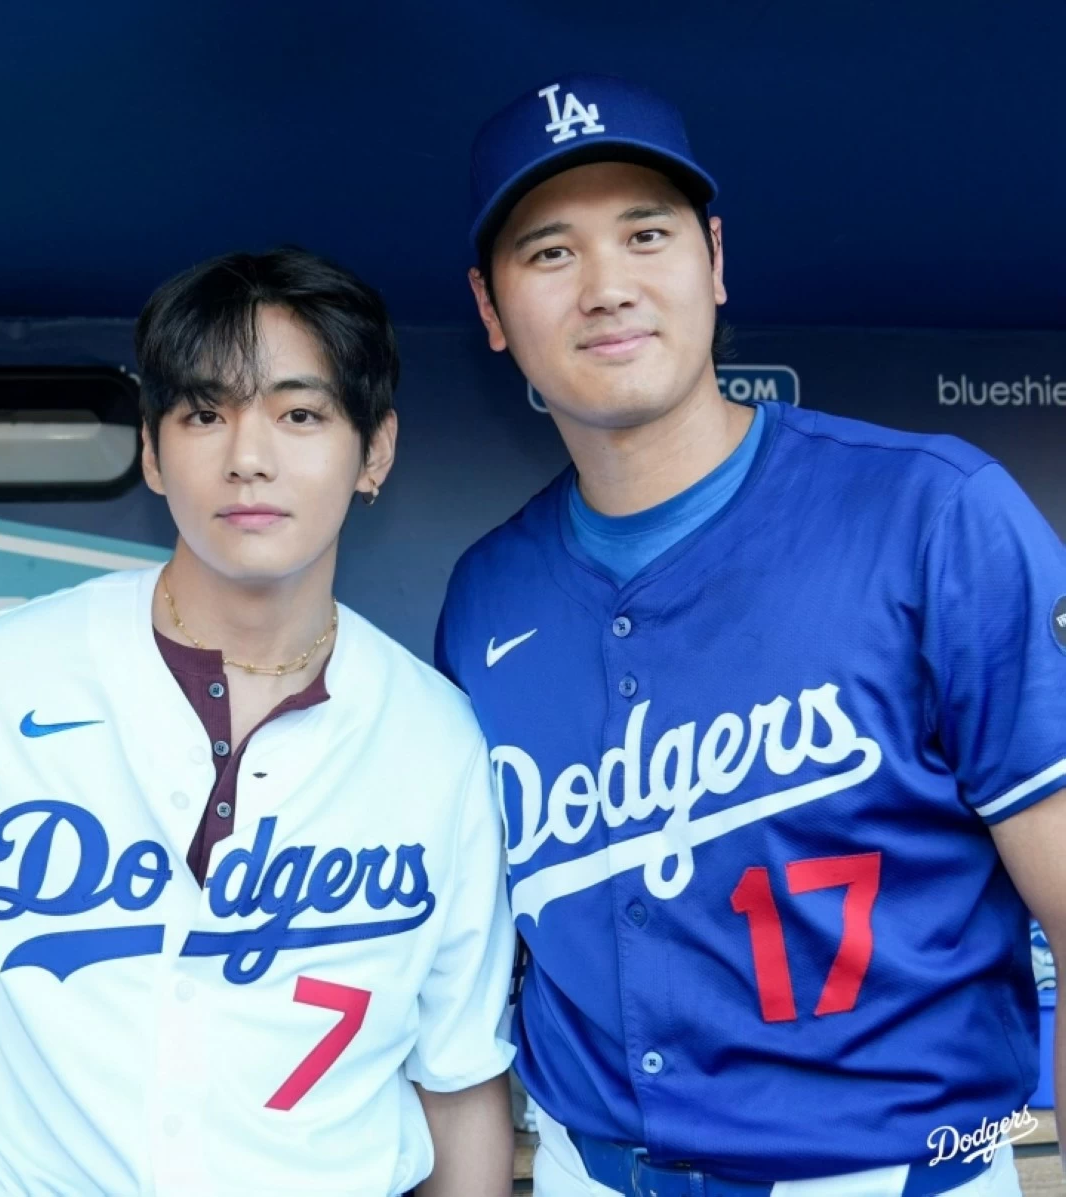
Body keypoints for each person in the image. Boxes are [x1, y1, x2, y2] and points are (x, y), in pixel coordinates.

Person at [435, 73, 1066, 1197]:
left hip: (890, 1175)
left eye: (646, 234)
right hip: (594, 1172)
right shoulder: (489, 595)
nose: (608, 288)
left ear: (714, 261)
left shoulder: (934, 515)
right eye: (550, 254)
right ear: (489, 310)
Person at [0, 248, 516, 1197]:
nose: (248, 456)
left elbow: (458, 1081)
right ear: (151, 450)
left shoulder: (437, 734)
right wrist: (0, 1154)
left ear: (374, 449)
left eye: (300, 414)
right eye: (205, 413)